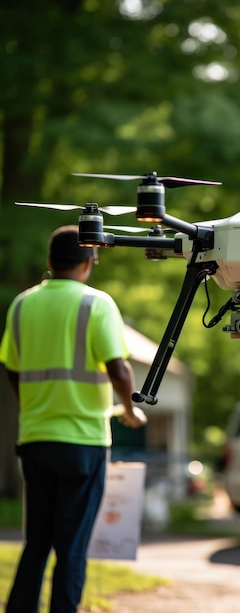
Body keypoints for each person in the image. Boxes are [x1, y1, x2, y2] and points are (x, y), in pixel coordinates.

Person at [0, 225, 146, 613]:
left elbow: (12, 369)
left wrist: (32, 406)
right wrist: (130, 412)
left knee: (37, 542)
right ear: (88, 262)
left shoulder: (21, 304)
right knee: (72, 545)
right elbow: (119, 369)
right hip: (83, 442)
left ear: (50, 261)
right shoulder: (96, 304)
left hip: (34, 438)